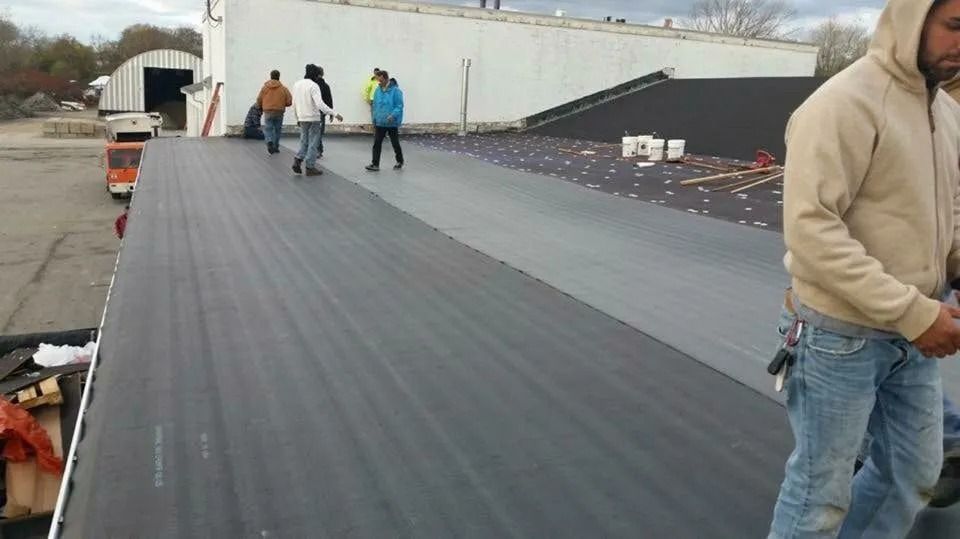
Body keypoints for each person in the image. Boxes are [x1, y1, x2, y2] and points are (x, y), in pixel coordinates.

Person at [768, 0, 960, 537]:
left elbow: (950, 211)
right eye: (956, 26)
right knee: (818, 493)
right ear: (913, 18)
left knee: (914, 472)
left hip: (910, 336)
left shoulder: (944, 111)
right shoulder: (843, 104)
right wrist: (914, 313)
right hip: (839, 337)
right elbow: (811, 232)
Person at [291, 64, 342, 177]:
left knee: (304, 141)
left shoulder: (297, 84)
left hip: (302, 117)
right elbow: (320, 104)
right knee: (314, 143)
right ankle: (310, 167)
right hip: (313, 118)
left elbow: (294, 103)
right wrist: (334, 113)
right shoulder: (314, 86)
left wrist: (297, 117)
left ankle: (298, 159)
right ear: (315, 74)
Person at [365, 71, 404, 172]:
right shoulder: (378, 90)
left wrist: (393, 115)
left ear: (386, 78)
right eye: (378, 80)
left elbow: (399, 106)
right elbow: (376, 106)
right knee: (377, 143)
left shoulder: (396, 91)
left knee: (395, 143)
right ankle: (375, 164)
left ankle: (400, 161)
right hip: (380, 122)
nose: (379, 82)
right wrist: (374, 118)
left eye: (381, 80)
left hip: (391, 122)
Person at [256, 69, 292, 155]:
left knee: (268, 128)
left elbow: (259, 99)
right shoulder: (284, 89)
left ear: (270, 76)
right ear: (279, 77)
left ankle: (269, 142)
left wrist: (260, 107)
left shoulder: (264, 88)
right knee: (277, 129)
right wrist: (283, 104)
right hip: (279, 111)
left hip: (268, 111)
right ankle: (275, 147)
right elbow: (289, 101)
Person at [315, 66, 334, 159]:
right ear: (322, 74)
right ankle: (318, 150)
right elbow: (329, 99)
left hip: (312, 111)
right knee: (319, 132)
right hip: (322, 112)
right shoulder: (325, 86)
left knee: (313, 132)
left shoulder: (312, 85)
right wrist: (331, 112)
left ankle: (317, 149)